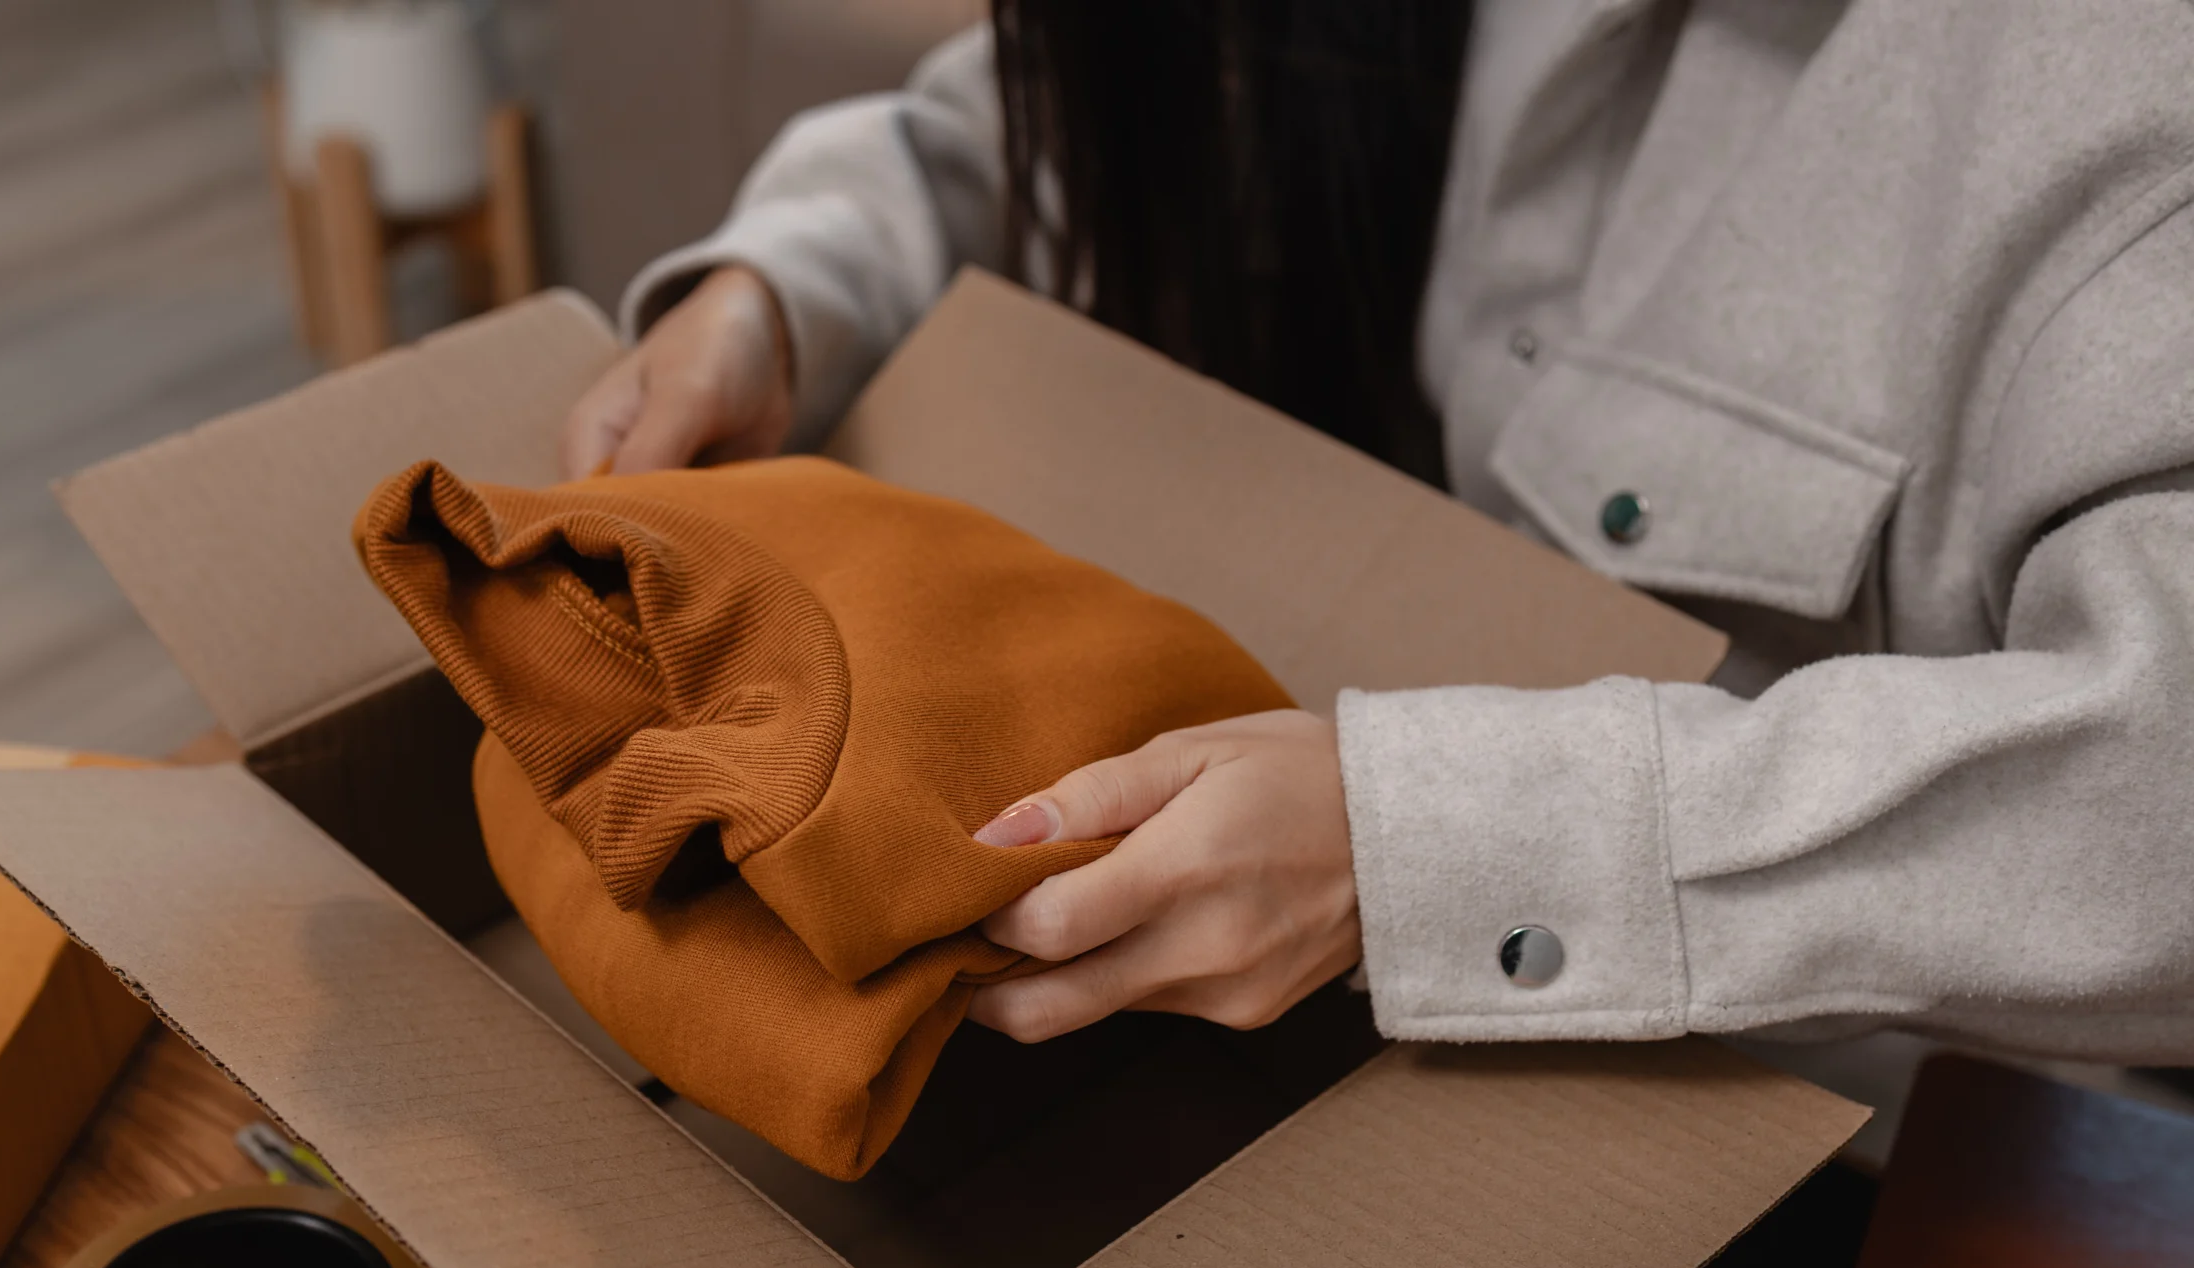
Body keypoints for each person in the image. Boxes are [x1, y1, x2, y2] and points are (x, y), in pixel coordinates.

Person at [561, 0, 2194, 1063]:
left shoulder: (2114, 91)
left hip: (1835, 1175)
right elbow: (1132, 91)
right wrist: (786, 286)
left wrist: (1422, 846)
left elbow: (2160, 790)